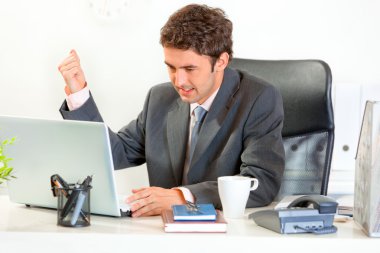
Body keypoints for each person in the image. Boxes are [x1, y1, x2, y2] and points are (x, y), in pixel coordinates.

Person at [58, 4, 285, 217]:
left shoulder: (258, 99)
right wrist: (79, 94)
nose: (179, 81)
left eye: (190, 68)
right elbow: (114, 154)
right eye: (171, 67)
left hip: (225, 234)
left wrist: (182, 196)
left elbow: (261, 182)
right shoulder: (160, 98)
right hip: (161, 233)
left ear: (221, 62)